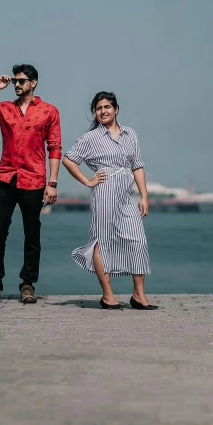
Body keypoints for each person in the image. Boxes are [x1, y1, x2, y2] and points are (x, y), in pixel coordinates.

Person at [0, 64, 61, 305]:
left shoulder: (49, 111)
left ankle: (28, 284)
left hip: (34, 179)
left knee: (32, 235)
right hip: (6, 178)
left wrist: (52, 183)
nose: (17, 85)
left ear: (33, 83)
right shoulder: (4, 109)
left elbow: (55, 148)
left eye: (21, 81)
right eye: (15, 81)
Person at [62, 91, 157, 310]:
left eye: (106, 107)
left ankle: (138, 295)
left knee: (137, 239)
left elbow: (138, 166)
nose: (103, 111)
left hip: (127, 193)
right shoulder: (90, 138)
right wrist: (88, 181)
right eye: (98, 108)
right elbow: (69, 160)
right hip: (104, 190)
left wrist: (144, 196)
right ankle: (108, 296)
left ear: (116, 109)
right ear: (94, 112)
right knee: (102, 240)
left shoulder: (130, 133)